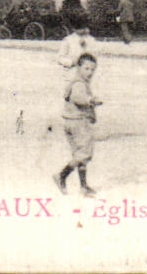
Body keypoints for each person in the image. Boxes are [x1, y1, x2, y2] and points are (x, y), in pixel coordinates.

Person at [56, 53, 102, 197]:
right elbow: (78, 98)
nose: (89, 72)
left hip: (70, 122)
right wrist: (91, 101)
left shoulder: (75, 82)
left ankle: (83, 187)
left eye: (92, 69)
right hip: (78, 122)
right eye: (86, 68)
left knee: (78, 154)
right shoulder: (79, 84)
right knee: (85, 153)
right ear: (78, 68)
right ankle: (61, 175)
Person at [56, 21, 97, 87]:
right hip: (71, 74)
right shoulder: (68, 40)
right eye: (79, 28)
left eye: (84, 28)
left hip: (86, 76)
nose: (82, 30)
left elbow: (94, 56)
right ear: (74, 29)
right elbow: (60, 58)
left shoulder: (91, 40)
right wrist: (71, 62)